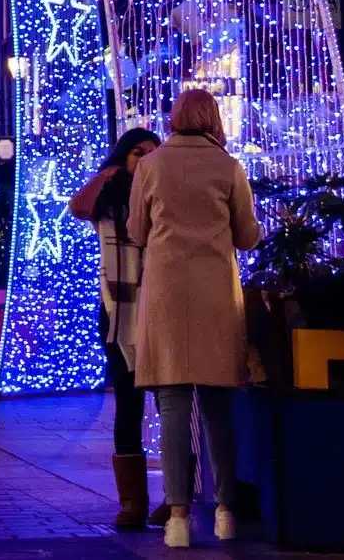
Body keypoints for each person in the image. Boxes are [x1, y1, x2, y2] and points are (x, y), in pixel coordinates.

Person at [130, 89, 262, 549]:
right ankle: (226, 511)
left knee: (172, 406)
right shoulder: (228, 166)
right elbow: (246, 236)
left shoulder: (150, 166)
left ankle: (178, 517)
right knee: (217, 406)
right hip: (215, 295)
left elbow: (136, 231)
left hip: (166, 293)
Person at [70, 125, 164, 529]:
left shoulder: (165, 192)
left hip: (162, 304)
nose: (144, 158)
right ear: (123, 156)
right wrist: (104, 175)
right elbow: (78, 207)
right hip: (119, 310)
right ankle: (133, 503)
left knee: (172, 401)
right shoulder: (110, 200)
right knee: (128, 402)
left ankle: (177, 497)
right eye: (137, 152)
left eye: (152, 151)